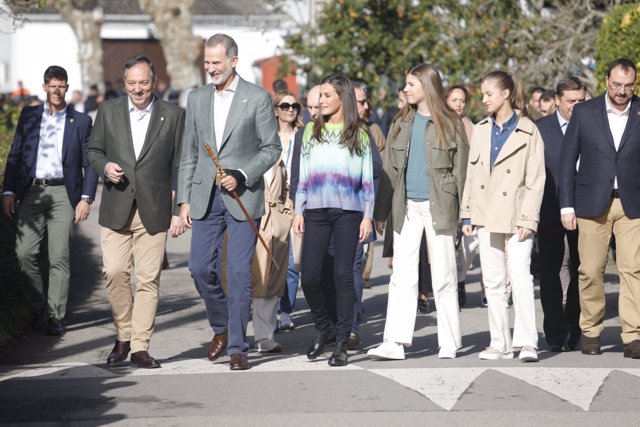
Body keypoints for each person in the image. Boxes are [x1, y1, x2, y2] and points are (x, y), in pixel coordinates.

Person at [177, 33, 281, 371]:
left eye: (216, 62)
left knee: (238, 273)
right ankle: (221, 326)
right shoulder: (197, 98)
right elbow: (190, 152)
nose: (210, 69)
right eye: (206, 63)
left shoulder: (258, 97)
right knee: (199, 267)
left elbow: (272, 148)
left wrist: (243, 173)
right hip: (205, 197)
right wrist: (184, 202)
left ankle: (238, 347)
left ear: (233, 61)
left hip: (243, 197)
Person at [88, 55, 186, 369]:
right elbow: (93, 151)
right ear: (125, 83)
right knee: (115, 272)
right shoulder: (108, 111)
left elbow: (180, 164)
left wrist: (178, 207)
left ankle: (140, 346)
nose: (138, 89)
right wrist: (105, 167)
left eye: (143, 82)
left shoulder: (172, 115)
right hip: (117, 205)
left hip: (154, 209)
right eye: (131, 83)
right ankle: (123, 334)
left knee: (148, 280)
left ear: (154, 82)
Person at [367, 63, 468, 361]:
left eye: (411, 84)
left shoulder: (450, 123)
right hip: (406, 207)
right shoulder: (400, 123)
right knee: (402, 275)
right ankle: (394, 342)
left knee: (445, 276)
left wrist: (465, 215)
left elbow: (462, 173)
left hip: (441, 207)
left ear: (427, 85)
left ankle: (449, 342)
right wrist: (381, 211)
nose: (406, 89)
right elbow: (390, 171)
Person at [2, 65, 97, 336]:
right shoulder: (30, 116)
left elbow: (90, 164)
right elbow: (15, 156)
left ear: (67, 87)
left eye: (61, 85)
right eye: (52, 85)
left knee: (60, 257)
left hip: (63, 194)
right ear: (44, 87)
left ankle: (55, 316)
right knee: (24, 253)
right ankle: (38, 307)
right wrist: (8, 191)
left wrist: (85, 198)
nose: (56, 90)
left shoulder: (79, 121)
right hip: (32, 191)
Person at [461, 71, 545, 362]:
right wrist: (467, 213)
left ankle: (527, 343)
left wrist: (529, 218)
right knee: (493, 281)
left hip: (517, 214)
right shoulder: (481, 129)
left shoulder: (528, 129)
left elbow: (536, 179)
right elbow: (472, 175)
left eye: (489, 94)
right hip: (485, 214)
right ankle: (500, 342)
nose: (483, 100)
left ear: (506, 94)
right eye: (482, 94)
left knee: (521, 277)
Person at [559, 58, 640, 359]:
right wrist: (566, 205)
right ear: (606, 80)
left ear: (634, 83)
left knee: (633, 270)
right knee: (590, 270)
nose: (622, 91)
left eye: (628, 85)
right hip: (591, 204)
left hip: (633, 204)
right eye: (617, 84)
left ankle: (633, 335)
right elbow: (568, 162)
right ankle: (591, 331)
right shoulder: (585, 112)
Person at [293, 74, 374, 367]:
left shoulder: (359, 135)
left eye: (327, 95)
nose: (321, 101)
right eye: (320, 96)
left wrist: (368, 216)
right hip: (315, 211)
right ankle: (323, 326)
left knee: (342, 277)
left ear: (342, 99)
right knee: (310, 276)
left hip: (348, 214)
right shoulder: (310, 133)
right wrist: (298, 210)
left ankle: (341, 341)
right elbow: (303, 176)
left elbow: (367, 181)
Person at [537, 76, 586, 352]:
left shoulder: (591, 124)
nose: (576, 106)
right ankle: (555, 330)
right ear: (557, 100)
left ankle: (574, 325)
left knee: (584, 269)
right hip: (549, 208)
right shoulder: (540, 129)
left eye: (581, 100)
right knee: (550, 270)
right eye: (570, 101)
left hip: (586, 210)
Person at [272, 90, 304, 332]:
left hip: (295, 201)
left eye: (294, 106)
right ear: (276, 110)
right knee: (269, 259)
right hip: (271, 202)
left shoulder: (303, 137)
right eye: (285, 106)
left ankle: (286, 311)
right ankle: (269, 308)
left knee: (293, 261)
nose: (290, 109)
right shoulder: (267, 137)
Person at [445, 84, 478, 308]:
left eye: (462, 100)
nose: (458, 104)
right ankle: (449, 288)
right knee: (446, 245)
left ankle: (460, 278)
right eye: (454, 99)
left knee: (469, 244)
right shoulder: (439, 125)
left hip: (469, 191)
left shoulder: (472, 126)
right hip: (446, 192)